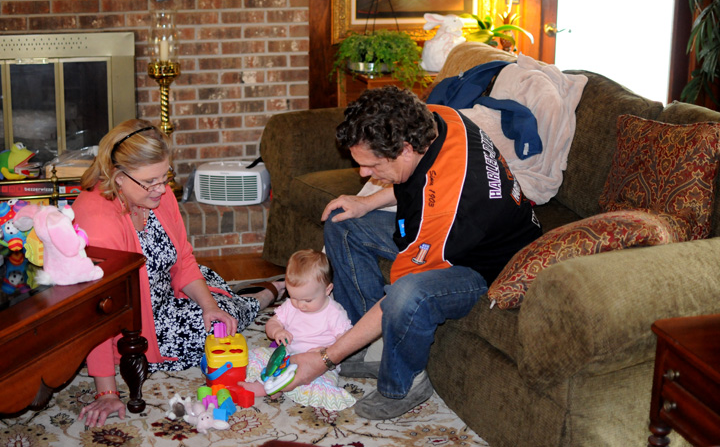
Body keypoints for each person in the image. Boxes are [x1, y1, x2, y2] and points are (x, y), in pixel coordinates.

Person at [283, 86, 543, 420]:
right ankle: (366, 346)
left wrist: (324, 358)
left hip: (487, 266)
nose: (363, 173)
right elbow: (418, 180)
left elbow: (394, 297)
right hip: (456, 228)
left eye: (371, 165)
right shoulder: (438, 119)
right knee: (342, 222)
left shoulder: (447, 213)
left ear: (404, 149)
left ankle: (404, 384)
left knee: (407, 294)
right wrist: (365, 202)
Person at [73, 119, 285, 427]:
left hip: (168, 292)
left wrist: (208, 306)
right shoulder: (97, 219)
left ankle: (239, 297)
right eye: (150, 182)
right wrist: (107, 391)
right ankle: (264, 295)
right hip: (135, 325)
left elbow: (183, 258)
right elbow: (98, 310)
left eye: (165, 176)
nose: (162, 189)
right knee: (223, 328)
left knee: (216, 308)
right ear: (118, 177)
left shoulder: (157, 195)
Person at [239, 249, 355, 410]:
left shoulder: (334, 313)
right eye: (293, 297)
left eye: (307, 300)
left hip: (318, 365)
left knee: (320, 384)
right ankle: (271, 384)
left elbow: (346, 341)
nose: (300, 305)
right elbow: (272, 322)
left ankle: (278, 386)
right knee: (257, 357)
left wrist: (325, 351)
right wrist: (277, 331)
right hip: (287, 356)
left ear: (327, 290)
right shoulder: (290, 306)